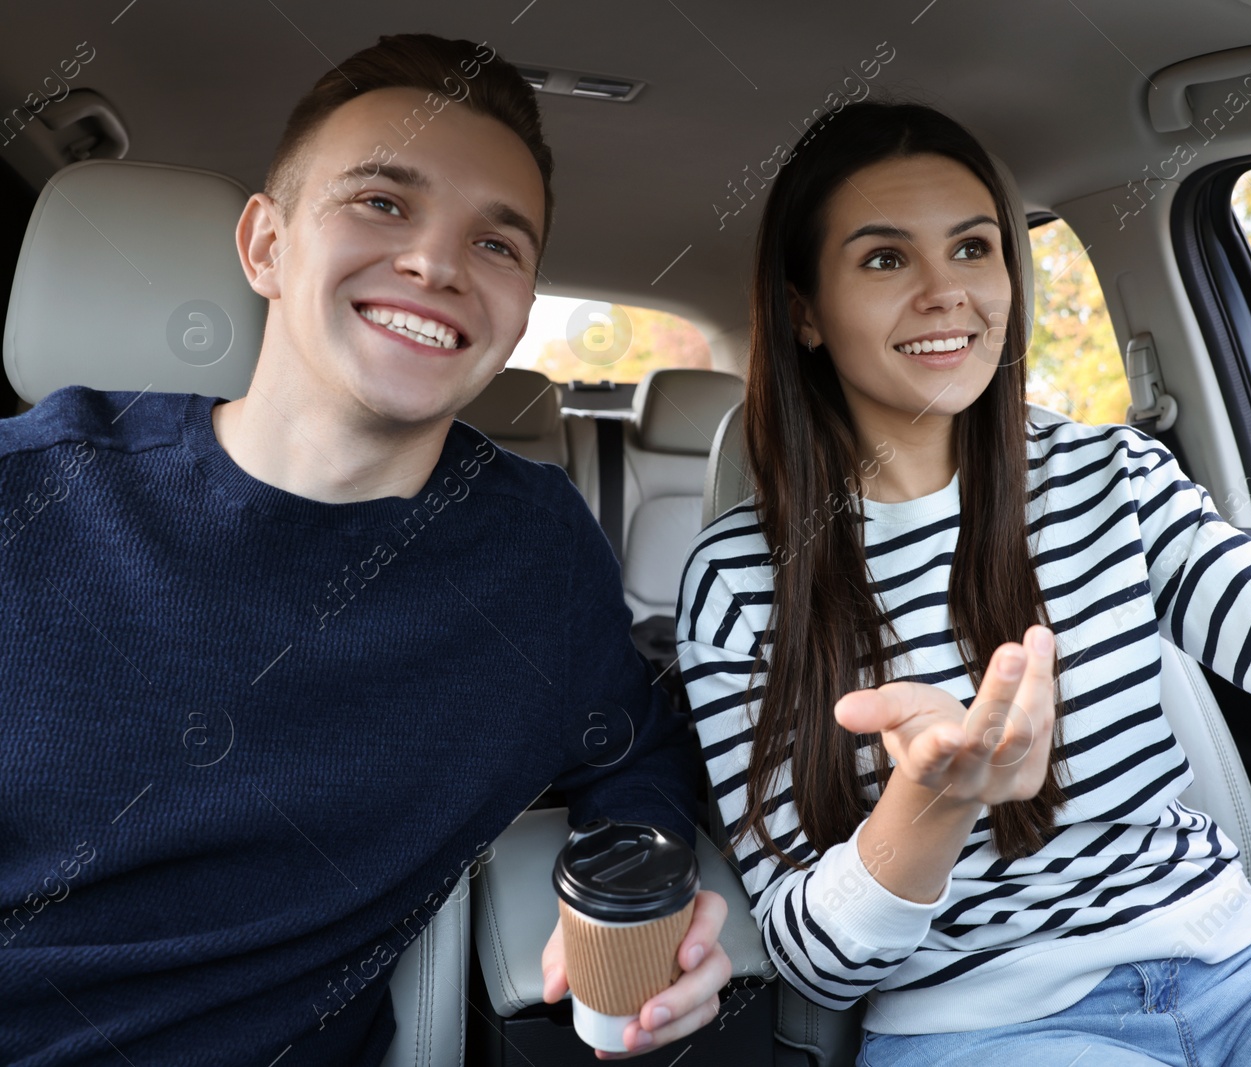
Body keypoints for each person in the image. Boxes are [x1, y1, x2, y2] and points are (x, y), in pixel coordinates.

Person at [675, 101, 1251, 1067]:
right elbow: (813, 961)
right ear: (804, 309)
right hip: (988, 1027)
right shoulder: (738, 582)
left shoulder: (1113, 478)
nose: (946, 292)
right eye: (886, 259)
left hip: (1249, 968)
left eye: (974, 249)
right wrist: (932, 802)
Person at [0, 34, 729, 1065]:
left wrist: (643, 891)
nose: (435, 261)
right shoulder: (28, 496)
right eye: (382, 203)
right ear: (265, 245)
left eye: (498, 244)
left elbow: (635, 750)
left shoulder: (533, 555)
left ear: (520, 311)